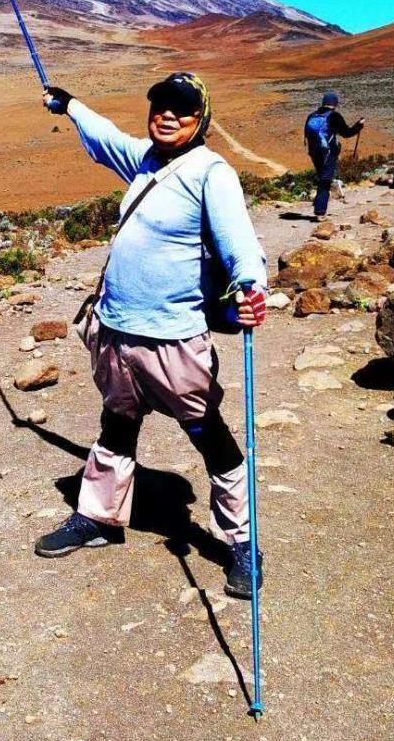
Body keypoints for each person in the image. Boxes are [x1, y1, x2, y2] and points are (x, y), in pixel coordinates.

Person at [32, 72, 268, 599]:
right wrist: (70, 105)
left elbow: (240, 244)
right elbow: (105, 136)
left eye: (181, 109)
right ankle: (98, 516)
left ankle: (242, 542)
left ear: (200, 119)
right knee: (117, 423)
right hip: (116, 330)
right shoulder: (143, 159)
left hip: (173, 338)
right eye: (160, 105)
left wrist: (251, 287)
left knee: (208, 434)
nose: (167, 115)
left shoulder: (211, 173)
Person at [304, 91, 364, 220]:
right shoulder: (334, 116)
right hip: (328, 153)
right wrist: (359, 126)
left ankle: (318, 202)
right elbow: (347, 133)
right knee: (325, 180)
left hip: (314, 152)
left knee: (322, 177)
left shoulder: (312, 115)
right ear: (335, 103)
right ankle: (320, 211)